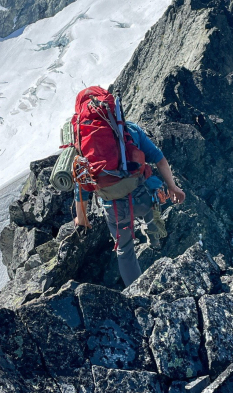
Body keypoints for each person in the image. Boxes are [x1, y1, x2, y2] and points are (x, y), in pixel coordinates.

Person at [74, 119, 185, 287]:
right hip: (143, 199)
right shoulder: (129, 129)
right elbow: (159, 159)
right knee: (150, 188)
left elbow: (81, 189)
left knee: (125, 251)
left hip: (116, 210)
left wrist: (81, 220)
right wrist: (172, 186)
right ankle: (153, 236)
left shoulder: (82, 145)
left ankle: (137, 294)